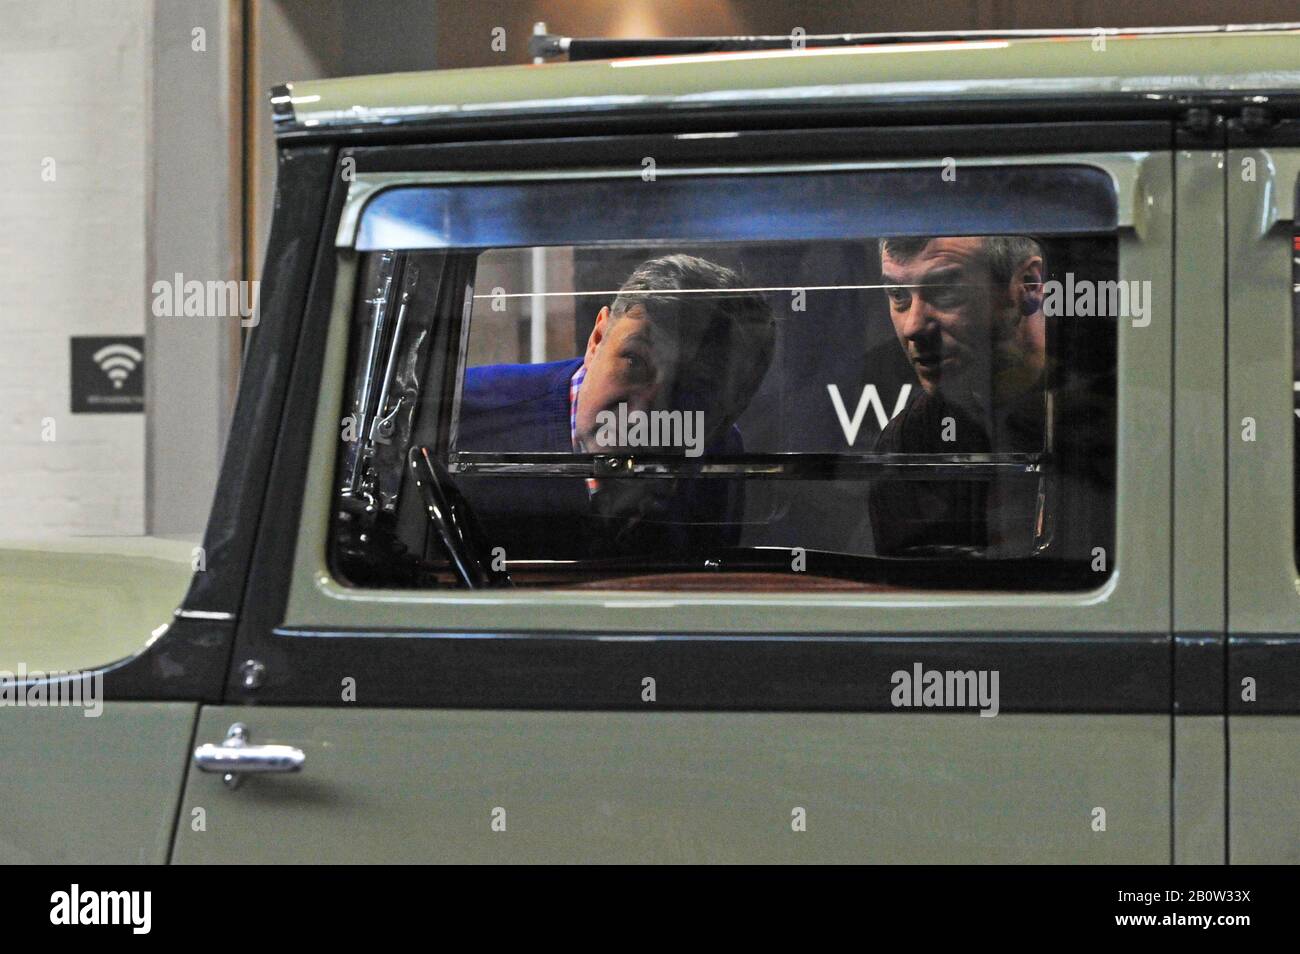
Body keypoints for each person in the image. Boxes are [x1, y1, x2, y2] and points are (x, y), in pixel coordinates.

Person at [455, 253, 776, 560]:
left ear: (732, 410)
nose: (640, 415)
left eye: (691, 389)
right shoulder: (464, 414)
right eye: (634, 360)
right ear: (597, 338)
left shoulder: (719, 449)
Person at [868, 235, 1048, 557]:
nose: (913, 326)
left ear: (1029, 285)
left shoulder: (1116, 418)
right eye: (897, 294)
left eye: (945, 291)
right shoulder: (908, 442)